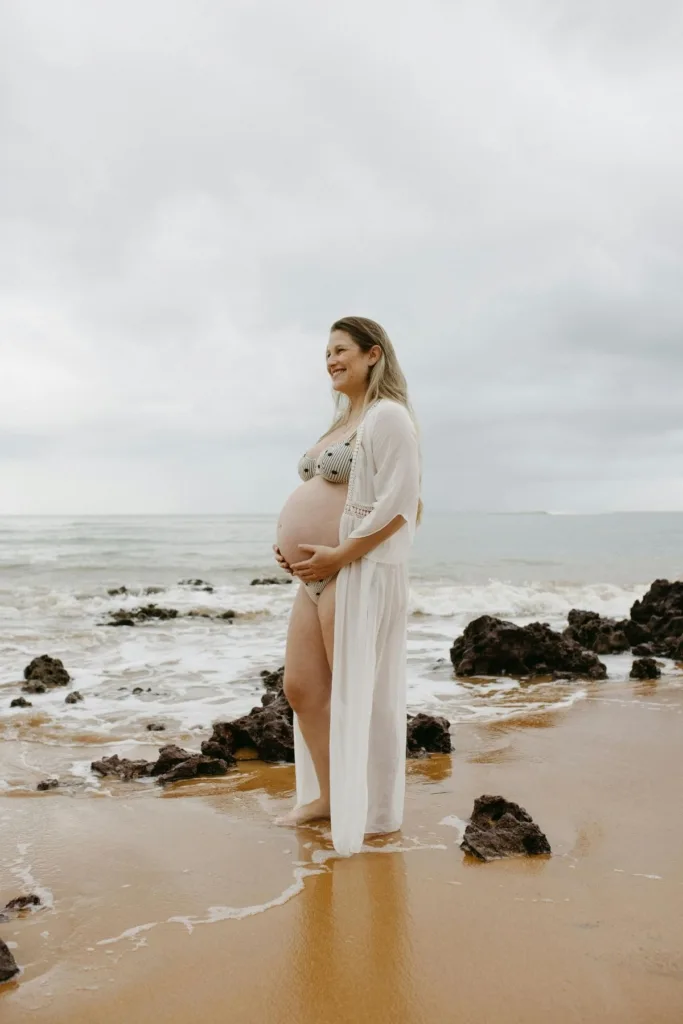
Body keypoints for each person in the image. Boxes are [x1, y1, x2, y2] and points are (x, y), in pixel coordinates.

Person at [273, 316, 422, 857]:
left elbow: (401, 504)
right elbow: (320, 492)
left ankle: (366, 808)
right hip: (314, 575)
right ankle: (330, 796)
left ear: (373, 354)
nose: (332, 361)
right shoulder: (341, 421)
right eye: (327, 353)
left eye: (341, 351)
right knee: (302, 688)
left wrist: (341, 552)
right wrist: (287, 542)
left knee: (353, 692)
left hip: (352, 570)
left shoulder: (388, 418)